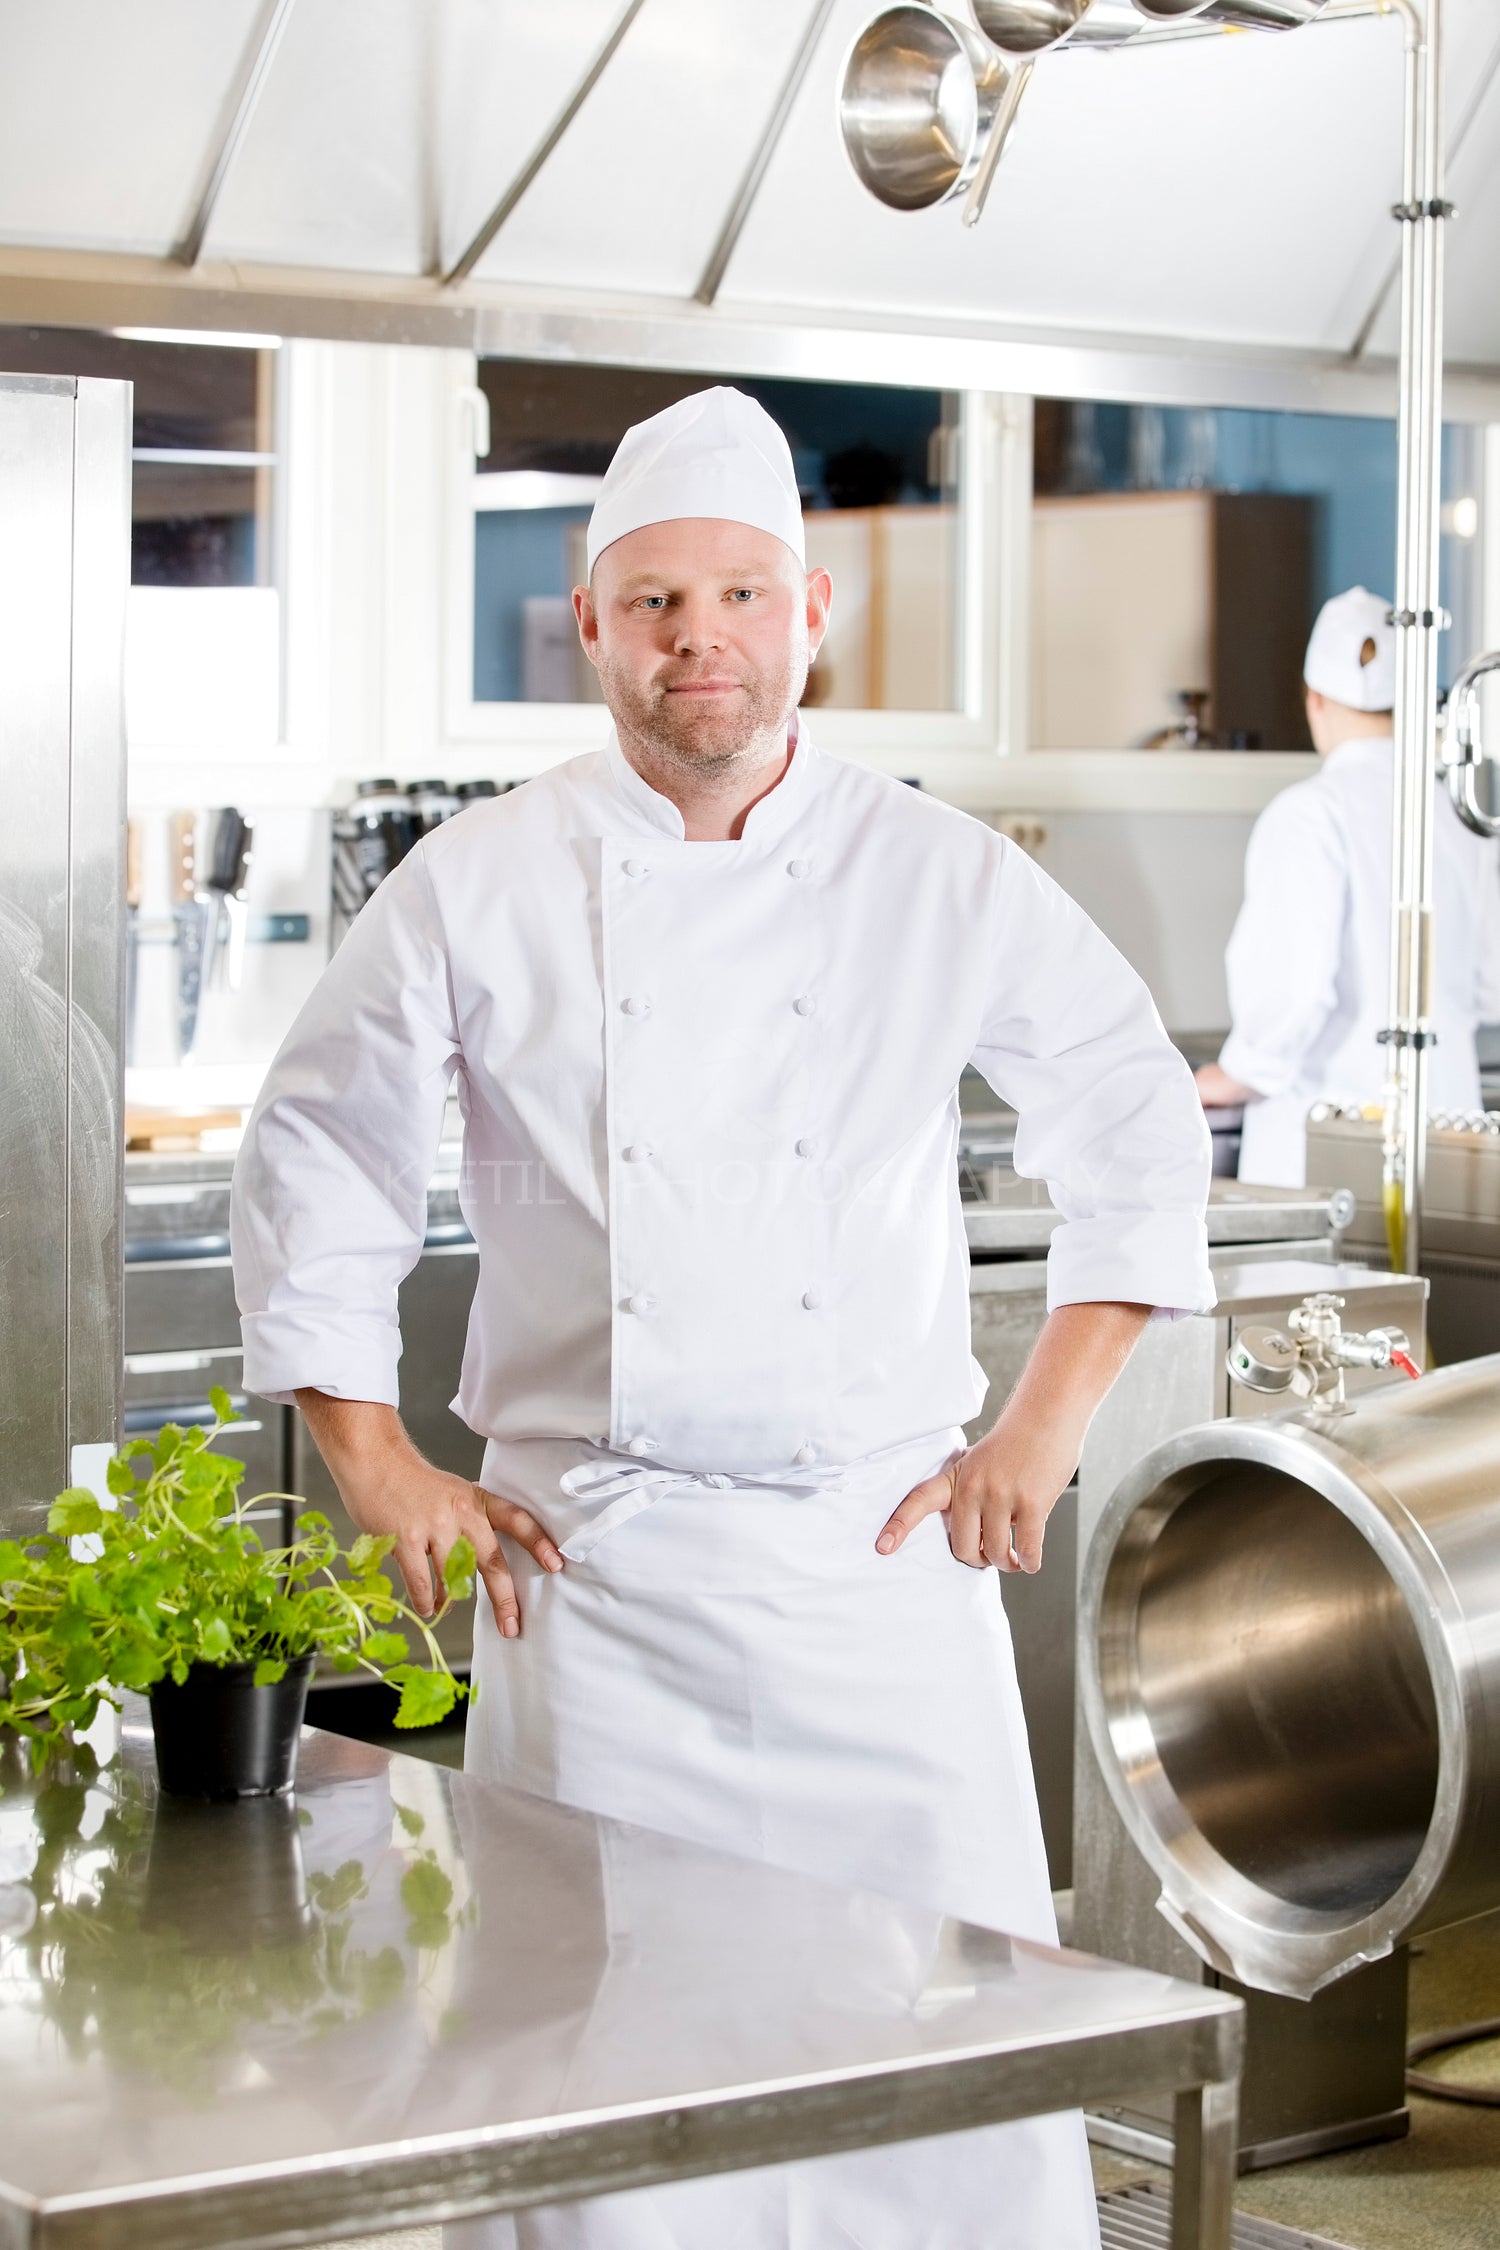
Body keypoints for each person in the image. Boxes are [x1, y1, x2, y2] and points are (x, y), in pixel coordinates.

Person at [231, 387, 1213, 2249]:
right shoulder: (481, 881)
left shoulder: (937, 871)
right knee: (600, 2067)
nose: (705, 642)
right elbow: (320, 1156)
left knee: (943, 2049)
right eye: (660, 601)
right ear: (591, 625)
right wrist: (373, 1461)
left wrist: (1045, 1424)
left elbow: (1132, 1112)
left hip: (877, 1574)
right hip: (596, 1578)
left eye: (742, 597)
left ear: (812, 614)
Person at [1196, 586, 1500, 1187]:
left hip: (1333, 1142)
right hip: (1452, 1140)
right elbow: (1491, 982)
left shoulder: (1309, 813)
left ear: (1314, 700)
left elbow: (1294, 990)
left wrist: (1235, 1074)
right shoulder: (1461, 813)